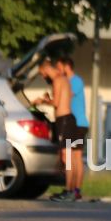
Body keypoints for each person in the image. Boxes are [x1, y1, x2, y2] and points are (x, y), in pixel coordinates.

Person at [32, 59, 79, 202]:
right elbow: (66, 97)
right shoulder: (63, 79)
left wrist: (42, 101)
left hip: (64, 121)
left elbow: (57, 103)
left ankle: (70, 191)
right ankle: (71, 190)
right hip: (68, 120)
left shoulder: (57, 80)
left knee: (66, 157)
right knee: (69, 157)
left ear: (45, 69)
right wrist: (49, 98)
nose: (43, 77)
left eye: (41, 74)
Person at [57, 56, 88, 201]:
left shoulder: (75, 81)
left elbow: (67, 96)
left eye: (59, 67)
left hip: (78, 124)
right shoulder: (66, 81)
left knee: (76, 157)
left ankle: (75, 190)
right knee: (71, 157)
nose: (58, 70)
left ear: (66, 66)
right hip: (72, 124)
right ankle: (71, 189)